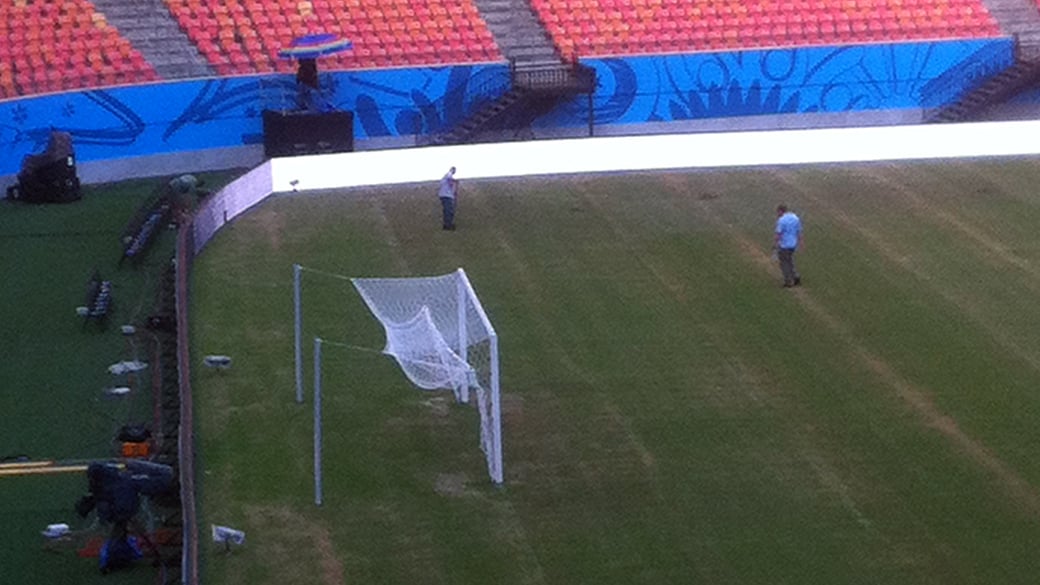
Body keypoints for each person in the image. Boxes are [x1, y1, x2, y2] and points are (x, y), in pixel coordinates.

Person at [774, 203, 802, 287]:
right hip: (793, 244)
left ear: (780, 211)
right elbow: (799, 231)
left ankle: (788, 281)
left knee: (784, 263)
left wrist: (775, 244)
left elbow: (778, 234)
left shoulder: (781, 220)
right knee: (790, 260)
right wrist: (800, 242)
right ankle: (795, 276)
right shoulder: (795, 218)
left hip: (784, 245)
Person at [438, 166, 458, 230]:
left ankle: (447, 224)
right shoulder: (449, 174)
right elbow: (450, 181)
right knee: (448, 210)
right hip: (447, 195)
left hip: (446, 195)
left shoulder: (446, 177)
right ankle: (448, 225)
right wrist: (452, 184)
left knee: (447, 210)